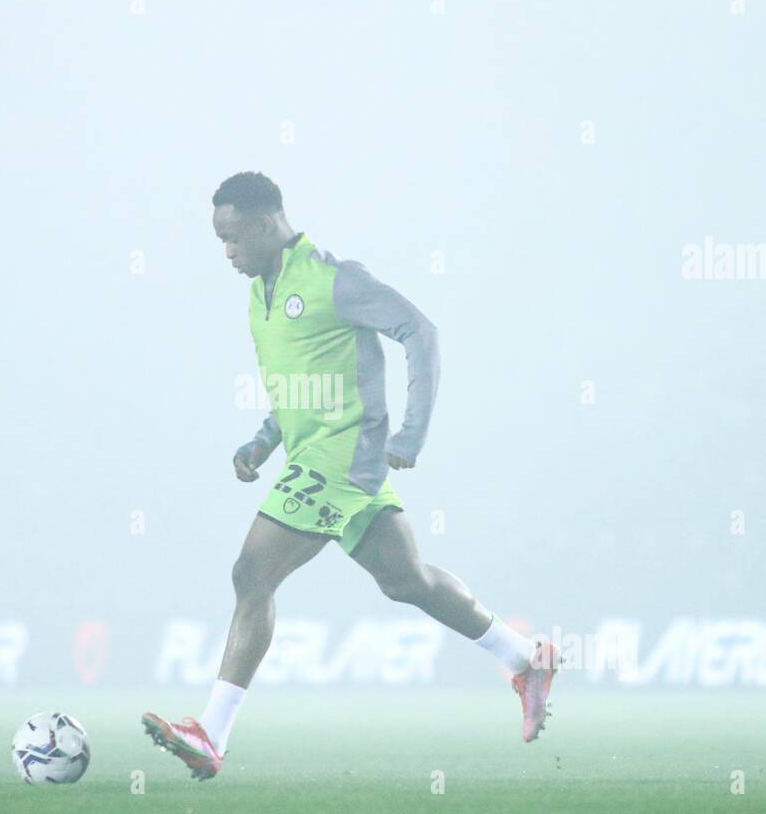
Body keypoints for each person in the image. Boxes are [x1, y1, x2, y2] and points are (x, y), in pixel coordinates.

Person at [142, 172, 559, 779]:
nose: (226, 252)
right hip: (316, 456)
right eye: (220, 240)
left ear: (264, 224)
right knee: (407, 581)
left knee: (252, 572)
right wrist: (262, 441)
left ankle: (211, 734)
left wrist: (411, 433)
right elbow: (302, 386)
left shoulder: (336, 279)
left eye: (232, 238)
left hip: (342, 461)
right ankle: (525, 657)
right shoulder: (262, 294)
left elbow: (422, 331)